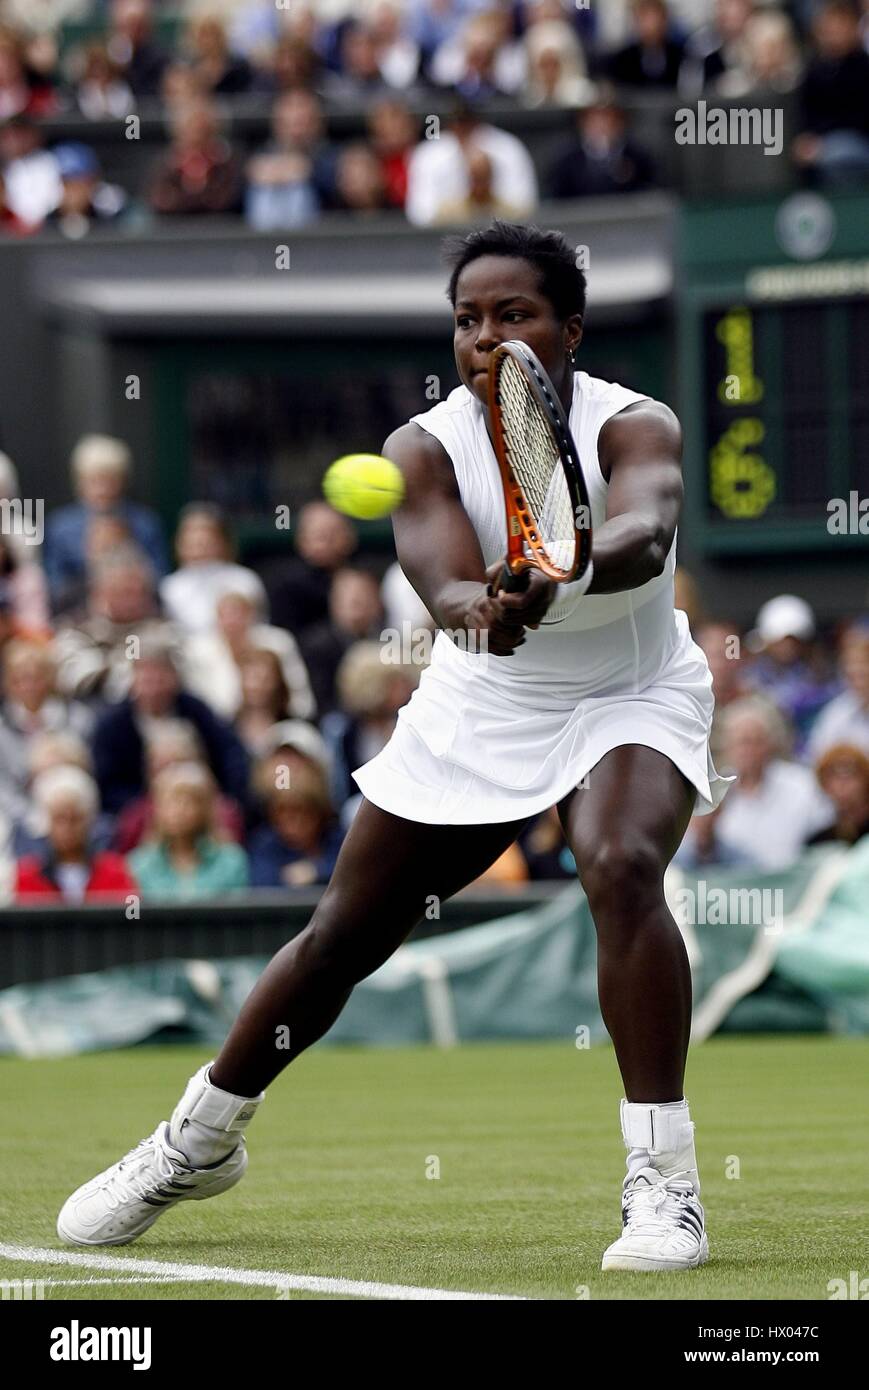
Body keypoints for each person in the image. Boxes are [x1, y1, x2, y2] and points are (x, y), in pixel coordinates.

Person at [58, 221, 731, 1275]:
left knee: (618, 864)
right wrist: (486, 606)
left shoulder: (632, 422)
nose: (484, 336)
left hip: (629, 689)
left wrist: (570, 564)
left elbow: (646, 524)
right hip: (484, 700)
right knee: (342, 935)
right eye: (467, 317)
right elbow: (447, 582)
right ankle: (196, 1139)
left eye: (513, 314)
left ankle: (665, 1188)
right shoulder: (420, 446)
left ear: (569, 329)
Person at [91, 635, 249, 814]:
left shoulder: (196, 712)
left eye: (161, 677)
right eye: (147, 679)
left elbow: (230, 754)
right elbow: (108, 784)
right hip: (139, 813)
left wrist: (222, 797)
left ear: (174, 677)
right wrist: (152, 808)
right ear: (134, 679)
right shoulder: (112, 726)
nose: (154, 689)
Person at [678, 695, 831, 869]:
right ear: (727, 747)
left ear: (771, 744)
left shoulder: (801, 785)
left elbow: (823, 837)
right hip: (737, 890)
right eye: (741, 742)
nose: (748, 751)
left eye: (756, 741)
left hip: (791, 883)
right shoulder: (713, 793)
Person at [43, 434, 168, 615]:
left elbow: (160, 579)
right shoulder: (61, 527)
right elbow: (54, 586)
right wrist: (92, 563)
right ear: (79, 482)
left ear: (123, 481)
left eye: (110, 479)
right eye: (94, 480)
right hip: (77, 617)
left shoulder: (145, 523)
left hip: (139, 617)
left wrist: (128, 556)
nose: (103, 489)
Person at [183, 587, 315, 723]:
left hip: (282, 720)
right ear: (217, 619)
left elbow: (301, 699)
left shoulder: (278, 643)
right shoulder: (198, 653)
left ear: (252, 616)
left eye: (238, 615)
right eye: (226, 616)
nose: (232, 623)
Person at [15, 766, 136, 904]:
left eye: (75, 819)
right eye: (60, 819)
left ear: (89, 820)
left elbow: (133, 916)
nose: (67, 828)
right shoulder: (28, 876)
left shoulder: (115, 871)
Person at [129, 762, 249, 901]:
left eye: (188, 802)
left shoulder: (231, 861)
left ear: (205, 809)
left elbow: (236, 915)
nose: (178, 811)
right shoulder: (138, 865)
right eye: (170, 802)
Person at [160, 504, 267, 636]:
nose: (199, 548)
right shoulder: (171, 586)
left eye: (206, 541)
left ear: (222, 542)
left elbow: (259, 626)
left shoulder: (244, 579)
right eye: (193, 542)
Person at [248, 761, 344, 889]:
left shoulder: (338, 839)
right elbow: (264, 885)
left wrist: (315, 871)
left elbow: (353, 872)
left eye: (300, 811)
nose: (292, 821)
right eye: (283, 812)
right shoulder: (265, 844)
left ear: (319, 813)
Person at [806, 624, 869, 759]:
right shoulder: (835, 713)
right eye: (851, 667)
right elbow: (819, 757)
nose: (856, 671)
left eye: (863, 666)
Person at [806, 742, 869, 847]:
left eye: (851, 774)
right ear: (825, 786)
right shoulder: (820, 841)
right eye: (833, 776)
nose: (842, 783)